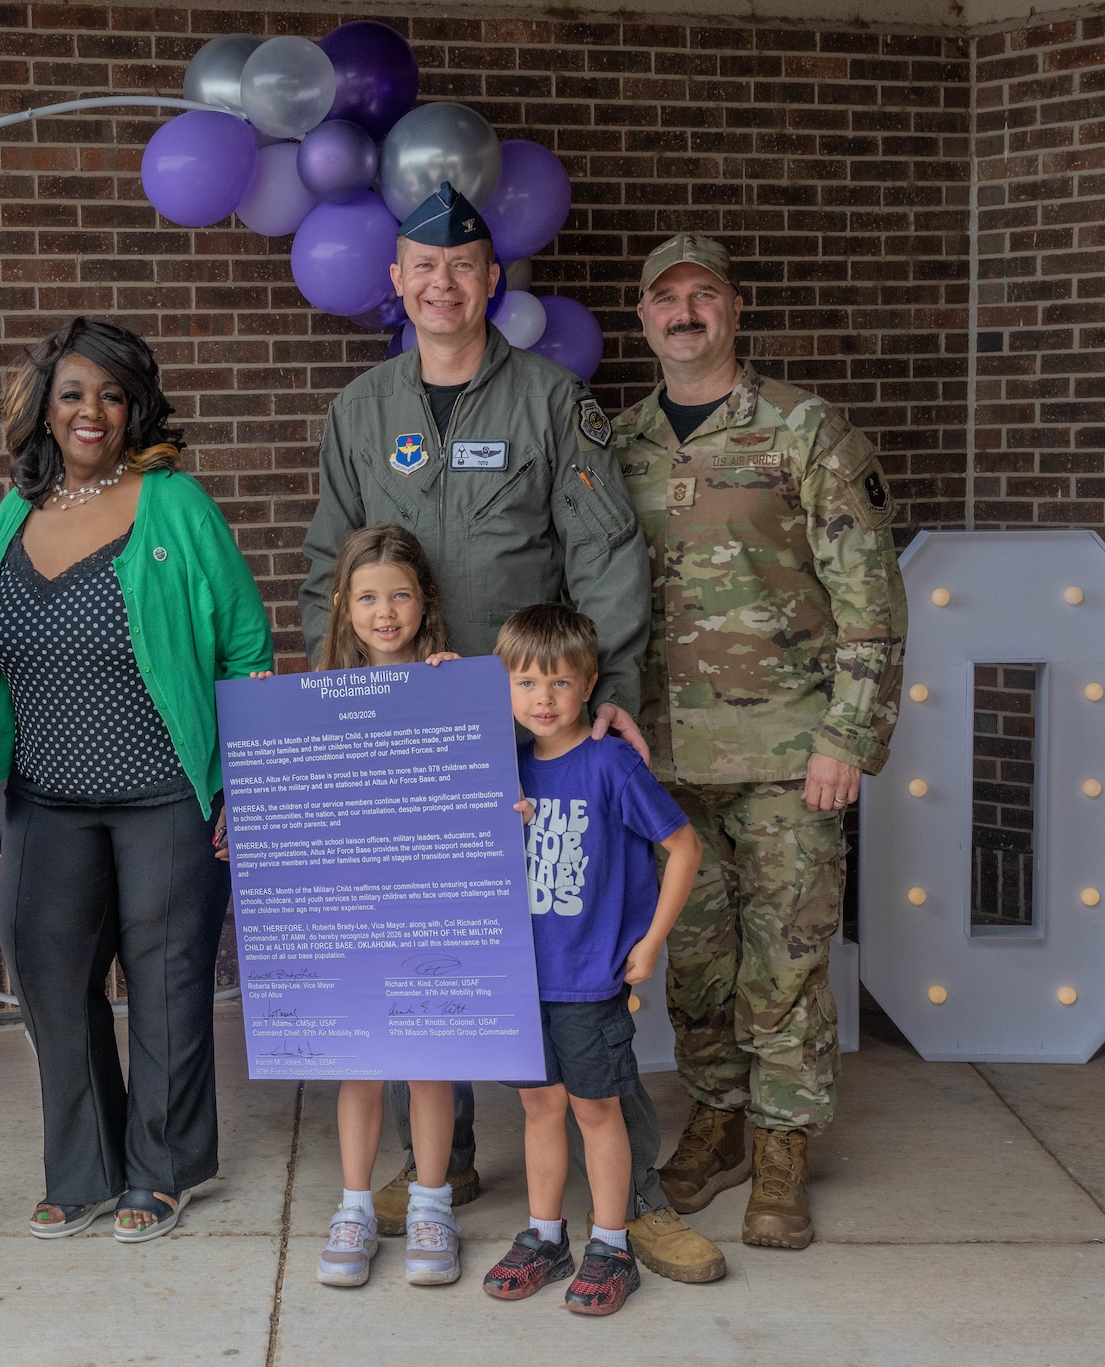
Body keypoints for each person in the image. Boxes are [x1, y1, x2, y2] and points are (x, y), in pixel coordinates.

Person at [298, 182, 724, 1286]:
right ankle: (444, 1166)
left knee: (574, 954)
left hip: (536, 722)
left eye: (463, 267)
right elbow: (328, 568)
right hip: (411, 732)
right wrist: (341, 710)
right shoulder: (359, 409)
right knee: (426, 947)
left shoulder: (549, 401)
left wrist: (607, 688)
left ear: (492, 280)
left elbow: (604, 552)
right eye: (422, 268)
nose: (442, 284)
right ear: (395, 284)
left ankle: (636, 1203)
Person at [612, 233, 907, 1249]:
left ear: (733, 309)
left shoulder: (804, 430)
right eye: (666, 297)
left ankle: (783, 1146)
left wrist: (848, 736)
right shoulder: (619, 444)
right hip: (661, 759)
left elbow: (870, 596)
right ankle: (717, 1120)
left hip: (789, 751)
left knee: (785, 955)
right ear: (642, 318)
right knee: (695, 961)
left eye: (704, 294)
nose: (684, 311)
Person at [0, 318, 272, 1245]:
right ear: (44, 409)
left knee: (167, 980)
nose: (90, 410)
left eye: (110, 393)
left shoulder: (175, 504)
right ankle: (84, 1169)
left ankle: (164, 1168)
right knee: (49, 974)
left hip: (165, 791)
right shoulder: (18, 509)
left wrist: (244, 778)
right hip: (45, 793)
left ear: (135, 405)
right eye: (72, 393)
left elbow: (246, 643)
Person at [479, 605, 703, 1316]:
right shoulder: (504, 770)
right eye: (525, 682)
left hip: (587, 975)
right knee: (539, 1106)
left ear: (589, 684)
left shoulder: (611, 764)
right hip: (522, 978)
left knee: (596, 1109)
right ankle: (547, 1238)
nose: (542, 698)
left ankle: (611, 1245)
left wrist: (651, 939)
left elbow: (684, 847)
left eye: (559, 682)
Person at [287, 524, 476, 1289]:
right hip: (351, 902)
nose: (385, 612)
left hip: (427, 896)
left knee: (427, 1059)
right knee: (359, 1057)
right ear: (342, 604)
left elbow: (475, 785)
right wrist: (266, 717)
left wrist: (461, 699)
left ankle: (432, 1203)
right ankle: (356, 1207)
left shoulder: (451, 683)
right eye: (368, 597)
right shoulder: (315, 697)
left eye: (400, 595)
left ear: (425, 602)